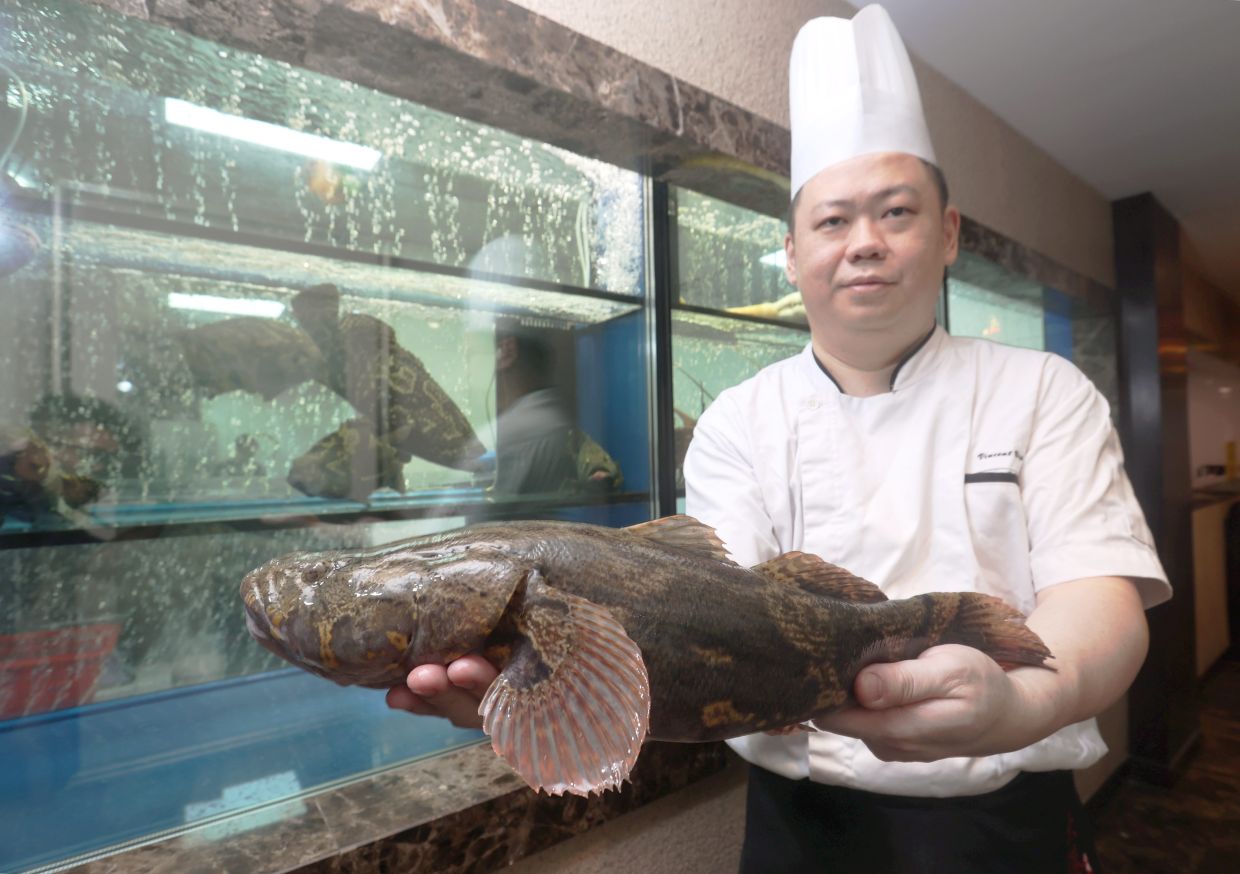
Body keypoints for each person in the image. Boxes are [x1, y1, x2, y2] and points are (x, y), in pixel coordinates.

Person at [388, 6, 1170, 871]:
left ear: (947, 234)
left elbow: (1105, 601)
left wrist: (1023, 705)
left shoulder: (1044, 390)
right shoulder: (737, 421)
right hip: (803, 824)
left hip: (1006, 819)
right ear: (793, 255)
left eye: (897, 212)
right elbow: (701, 622)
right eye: (833, 222)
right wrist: (539, 680)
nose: (864, 243)